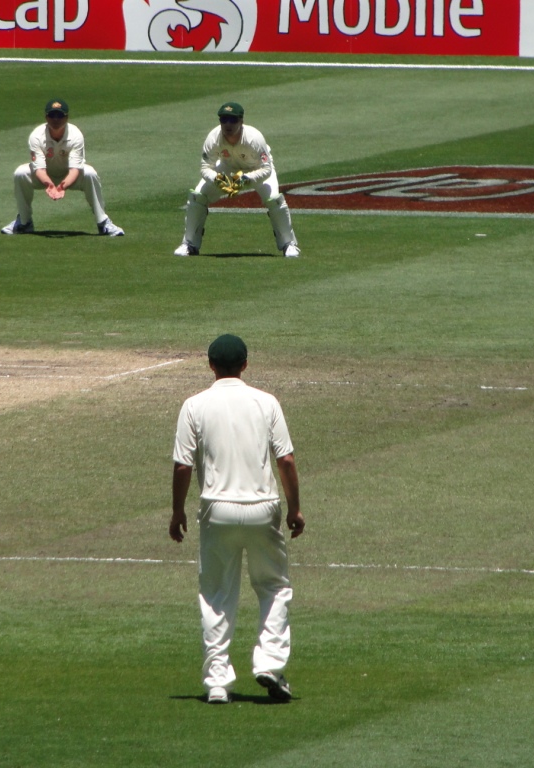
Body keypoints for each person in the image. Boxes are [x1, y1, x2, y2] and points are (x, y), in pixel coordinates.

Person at [169, 334, 305, 704]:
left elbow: (183, 465)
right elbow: (286, 460)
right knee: (274, 587)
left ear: (210, 365)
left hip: (217, 508)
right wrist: (294, 509)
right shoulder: (266, 402)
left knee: (216, 593)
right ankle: (270, 665)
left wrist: (177, 510)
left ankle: (216, 682)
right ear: (245, 364)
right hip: (263, 507)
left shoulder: (194, 405)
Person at [174, 102, 299, 258]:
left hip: (256, 169)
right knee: (198, 196)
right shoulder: (213, 138)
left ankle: (289, 244)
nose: (228, 124)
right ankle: (189, 244)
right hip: (228, 167)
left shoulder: (254, 138)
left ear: (241, 121)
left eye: (233, 120)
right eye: (224, 119)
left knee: (274, 200)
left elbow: (266, 169)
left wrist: (244, 180)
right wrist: (217, 179)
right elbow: (205, 167)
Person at [1, 99, 124, 237]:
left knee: (90, 173)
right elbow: (39, 170)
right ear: (46, 117)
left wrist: (61, 187)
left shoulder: (75, 135)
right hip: (45, 175)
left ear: (66, 117)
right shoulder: (36, 136)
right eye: (52, 115)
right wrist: (50, 185)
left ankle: (103, 223)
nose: (56, 119)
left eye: (60, 116)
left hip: (70, 175)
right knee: (20, 173)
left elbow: (75, 170)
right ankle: (24, 222)